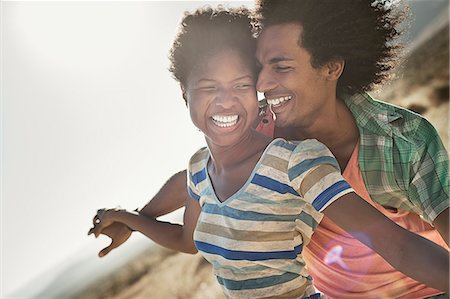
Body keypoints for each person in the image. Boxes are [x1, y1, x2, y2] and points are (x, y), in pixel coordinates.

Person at [90, 1, 450, 298]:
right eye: (260, 68)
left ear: (331, 67)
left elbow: (400, 244)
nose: (262, 84)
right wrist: (135, 217)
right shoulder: (262, 128)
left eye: (279, 67)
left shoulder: (399, 141)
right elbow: (194, 180)